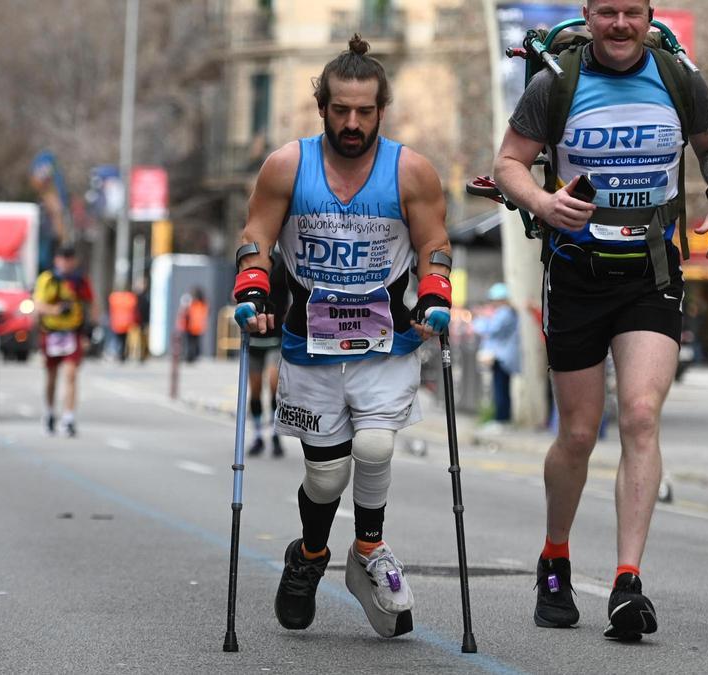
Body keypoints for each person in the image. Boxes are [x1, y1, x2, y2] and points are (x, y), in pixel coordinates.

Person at [493, 0, 708, 640]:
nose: (619, 25)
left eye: (631, 13)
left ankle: (628, 582)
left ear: (648, 14)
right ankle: (555, 555)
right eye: (607, 12)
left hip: (651, 271)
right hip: (576, 273)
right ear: (588, 13)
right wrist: (544, 203)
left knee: (639, 414)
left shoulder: (677, 76)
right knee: (579, 434)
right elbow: (508, 164)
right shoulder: (557, 82)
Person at [232, 34, 453, 639]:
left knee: (377, 449)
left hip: (387, 339)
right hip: (311, 341)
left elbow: (434, 244)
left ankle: (368, 552)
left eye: (364, 111)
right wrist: (252, 288)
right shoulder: (287, 165)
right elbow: (256, 234)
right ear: (321, 107)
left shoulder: (411, 170)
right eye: (340, 110)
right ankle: (308, 556)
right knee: (327, 477)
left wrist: (436, 294)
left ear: (382, 109)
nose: (352, 123)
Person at [33, 245, 97, 437]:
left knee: (71, 375)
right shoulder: (47, 279)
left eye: (70, 259)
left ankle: (68, 418)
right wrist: (56, 310)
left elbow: (92, 304)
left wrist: (90, 331)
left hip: (72, 333)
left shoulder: (80, 281)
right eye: (63, 259)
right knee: (51, 377)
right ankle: (50, 412)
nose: (67, 263)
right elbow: (38, 305)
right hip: (51, 333)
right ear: (56, 260)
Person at [246, 254, 289, 458]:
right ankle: (257, 435)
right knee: (255, 389)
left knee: (273, 384)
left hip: (275, 336)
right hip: (253, 338)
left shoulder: (282, 261)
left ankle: (274, 434)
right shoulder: (248, 261)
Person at [473, 282, 521, 429]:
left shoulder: (505, 313)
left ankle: (502, 420)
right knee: (501, 387)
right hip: (501, 356)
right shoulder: (506, 312)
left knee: (500, 388)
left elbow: (491, 329)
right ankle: (501, 418)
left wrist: (480, 319)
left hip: (502, 357)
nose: (492, 304)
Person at [107, 288, 137, 362]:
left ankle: (118, 353)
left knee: (117, 339)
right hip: (126, 322)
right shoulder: (130, 297)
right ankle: (122, 354)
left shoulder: (114, 297)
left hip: (116, 322)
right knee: (124, 340)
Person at [184, 287, 208, 363]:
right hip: (196, 326)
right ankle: (192, 356)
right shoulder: (203, 304)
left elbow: (188, 314)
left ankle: (191, 356)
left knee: (192, 342)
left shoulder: (194, 304)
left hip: (192, 326)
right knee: (195, 342)